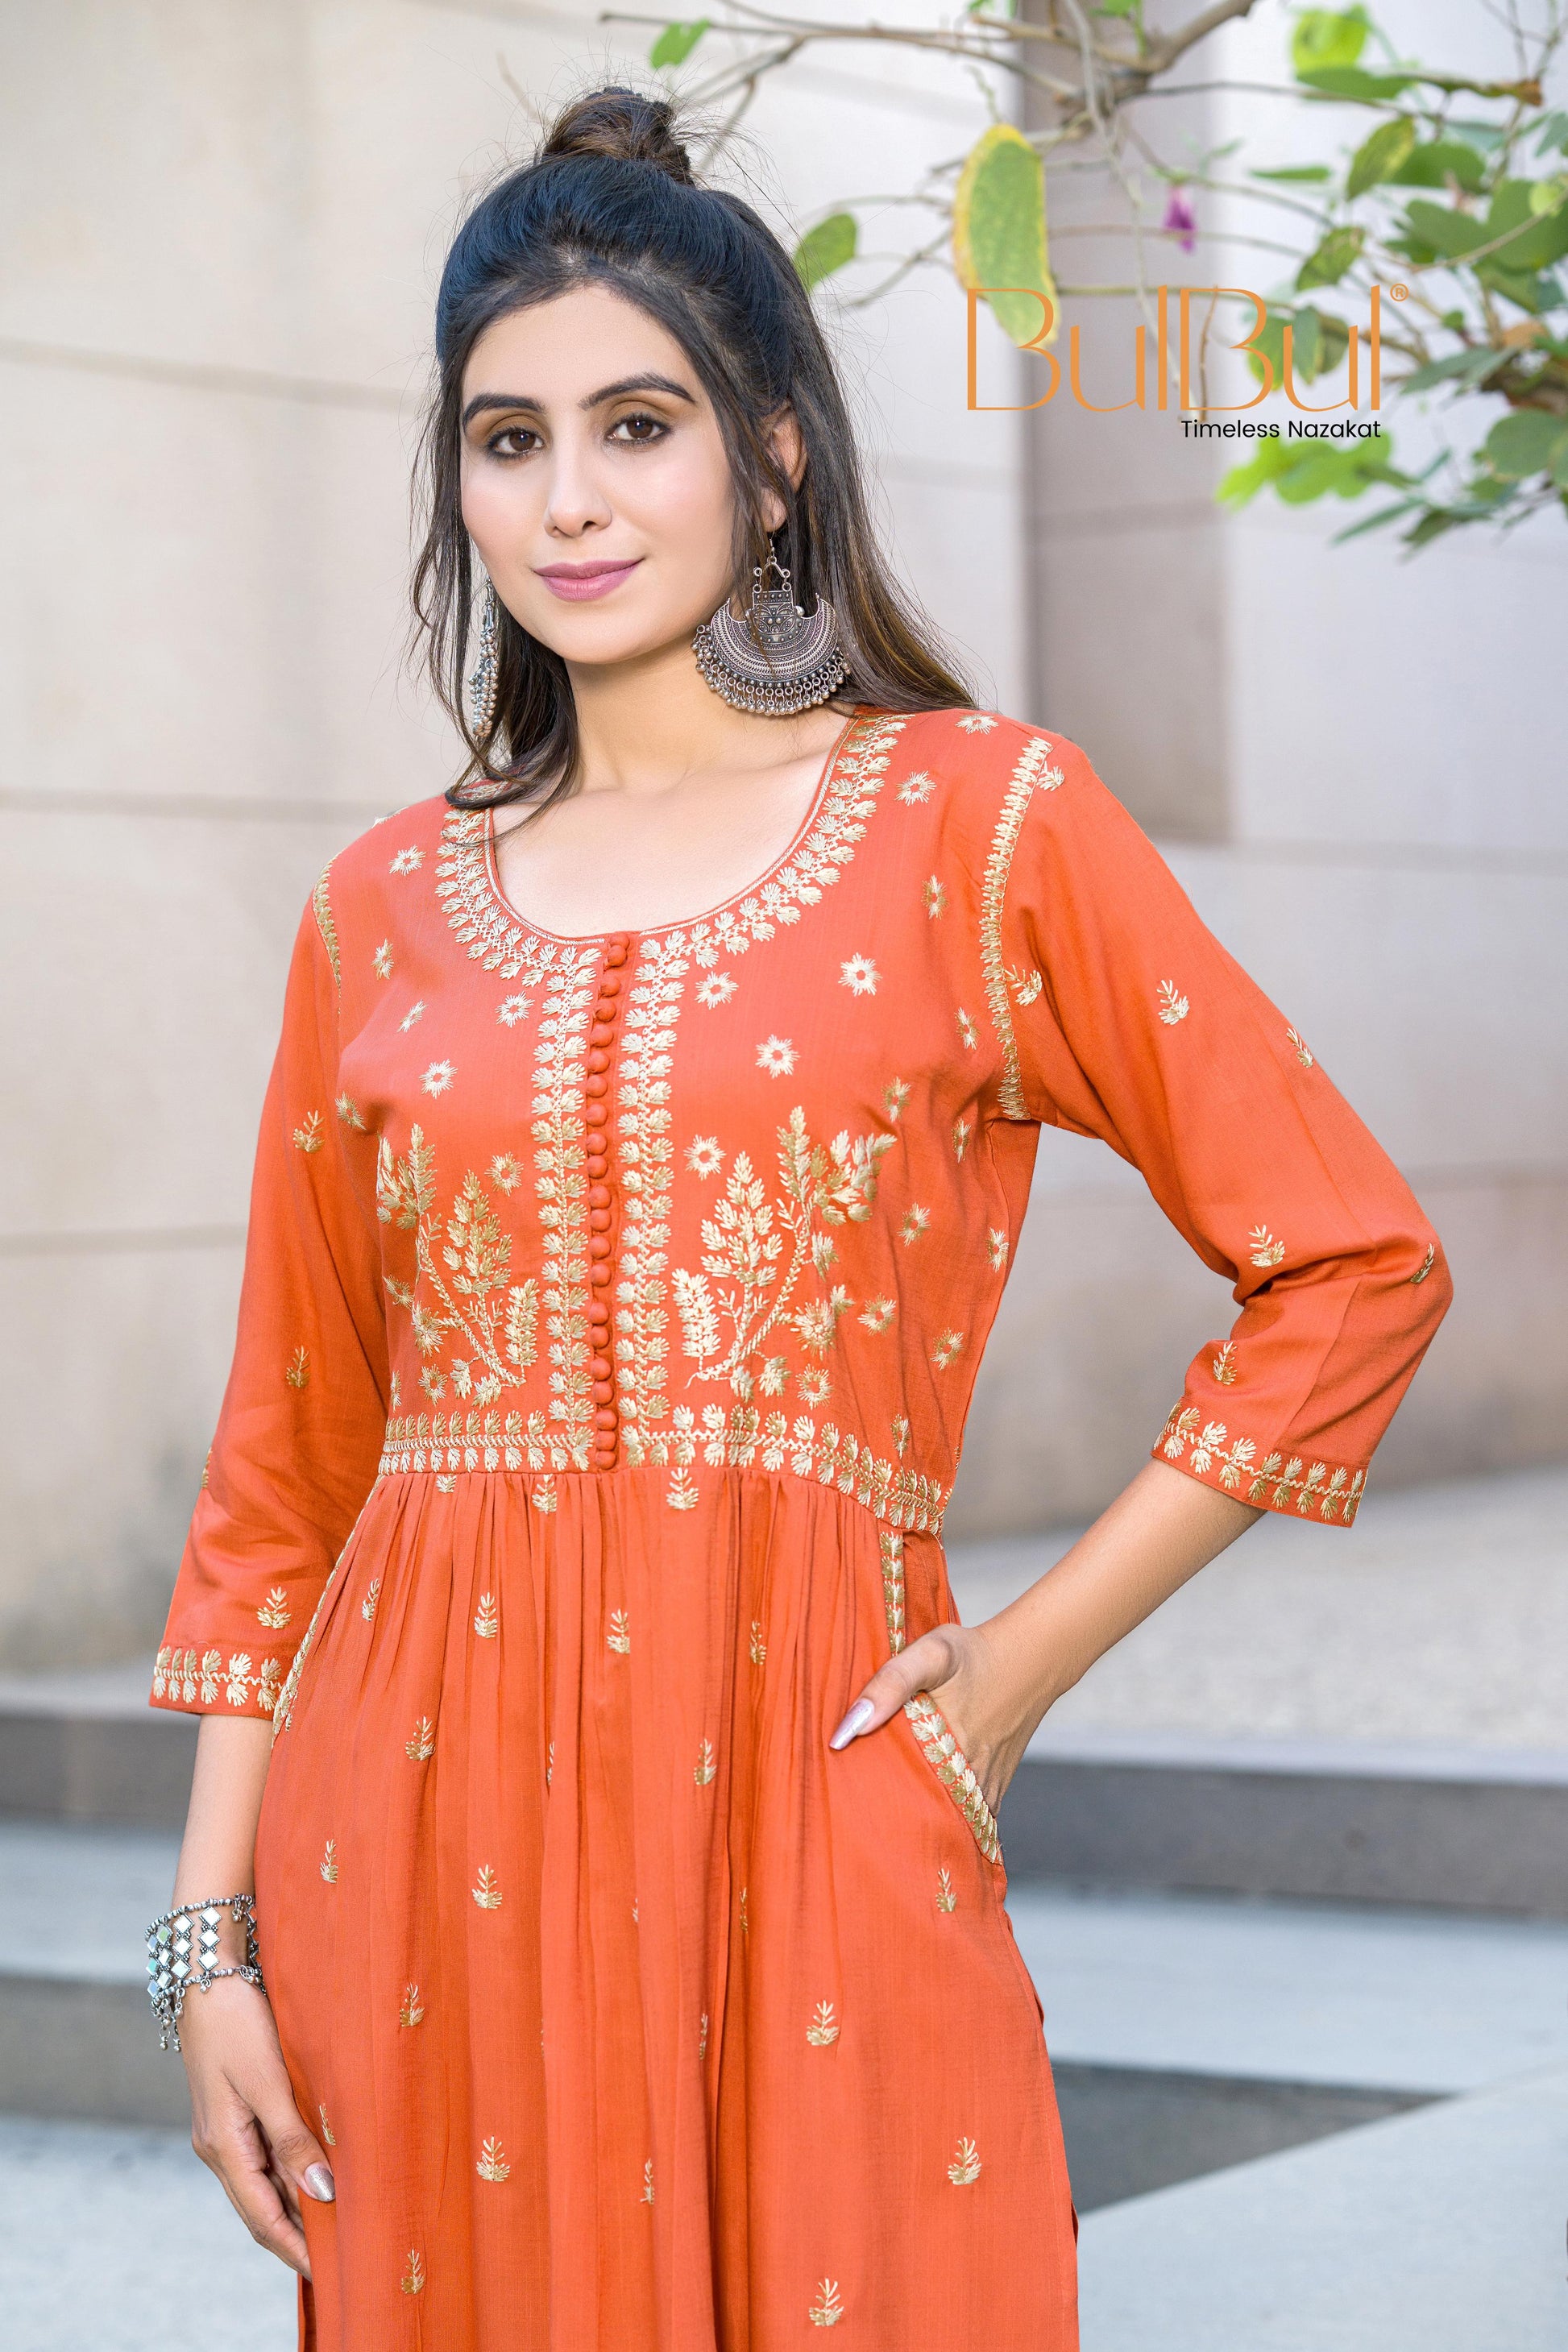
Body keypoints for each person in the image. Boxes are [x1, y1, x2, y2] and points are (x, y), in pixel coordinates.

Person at [147, 84, 1450, 2352]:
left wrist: (1010, 1680)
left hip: (812, 1801)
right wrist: (206, 1945)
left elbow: (1348, 1264)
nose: (567, 498)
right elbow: (289, 1468)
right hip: (411, 1844)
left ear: (769, 462)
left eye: (635, 426)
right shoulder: (377, 911)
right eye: (506, 440)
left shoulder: (976, 824)